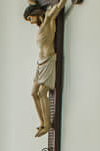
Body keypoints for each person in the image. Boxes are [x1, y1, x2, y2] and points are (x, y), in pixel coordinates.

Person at [25, 0, 67, 137]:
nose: (30, 22)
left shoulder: (48, 19)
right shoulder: (40, 26)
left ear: (35, 14)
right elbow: (32, 2)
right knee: (33, 93)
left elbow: (59, 5)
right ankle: (42, 123)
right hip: (40, 62)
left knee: (43, 93)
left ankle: (48, 125)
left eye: (30, 18)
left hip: (49, 60)